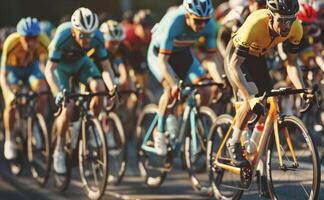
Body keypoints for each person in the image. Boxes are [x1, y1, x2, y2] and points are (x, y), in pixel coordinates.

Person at [224, 0, 312, 167]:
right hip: (237, 59)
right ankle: (234, 141)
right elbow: (234, 65)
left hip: (258, 57)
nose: (286, 26)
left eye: (290, 19)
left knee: (270, 103)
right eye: (282, 20)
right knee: (252, 97)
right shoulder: (255, 23)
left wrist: (302, 91)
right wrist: (249, 97)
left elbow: (292, 64)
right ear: (270, 15)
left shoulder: (296, 28)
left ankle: (258, 162)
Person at [45, 7, 117, 174]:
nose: (86, 40)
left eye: (90, 35)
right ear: (73, 30)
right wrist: (58, 94)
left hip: (81, 64)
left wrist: (112, 87)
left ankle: (92, 126)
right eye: (82, 35)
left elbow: (106, 67)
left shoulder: (97, 36)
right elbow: (49, 70)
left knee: (99, 88)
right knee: (68, 108)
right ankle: (60, 150)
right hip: (61, 67)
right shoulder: (62, 36)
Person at [147, 0, 224, 156]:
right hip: (160, 56)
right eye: (197, 20)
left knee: (206, 90)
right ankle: (160, 133)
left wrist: (220, 81)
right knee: (170, 90)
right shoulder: (175, 21)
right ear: (188, 15)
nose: (202, 25)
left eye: (205, 21)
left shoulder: (209, 25)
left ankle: (190, 124)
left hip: (183, 54)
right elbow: (163, 61)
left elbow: (210, 59)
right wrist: (174, 84)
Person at [1, 17, 50, 160]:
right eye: (27, 39)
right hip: (13, 71)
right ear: (20, 36)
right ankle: (9, 139)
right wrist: (8, 94)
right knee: (11, 104)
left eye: (34, 38)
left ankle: (34, 125)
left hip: (31, 69)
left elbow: (51, 66)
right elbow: (3, 76)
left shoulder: (44, 40)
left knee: (43, 93)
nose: (31, 43)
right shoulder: (11, 42)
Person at [123, 9, 156, 88]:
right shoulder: (127, 34)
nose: (147, 31)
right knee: (130, 78)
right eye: (144, 27)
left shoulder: (150, 35)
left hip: (136, 52)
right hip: (124, 55)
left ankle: (141, 95)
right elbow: (123, 56)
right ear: (137, 25)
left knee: (145, 77)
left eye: (149, 27)